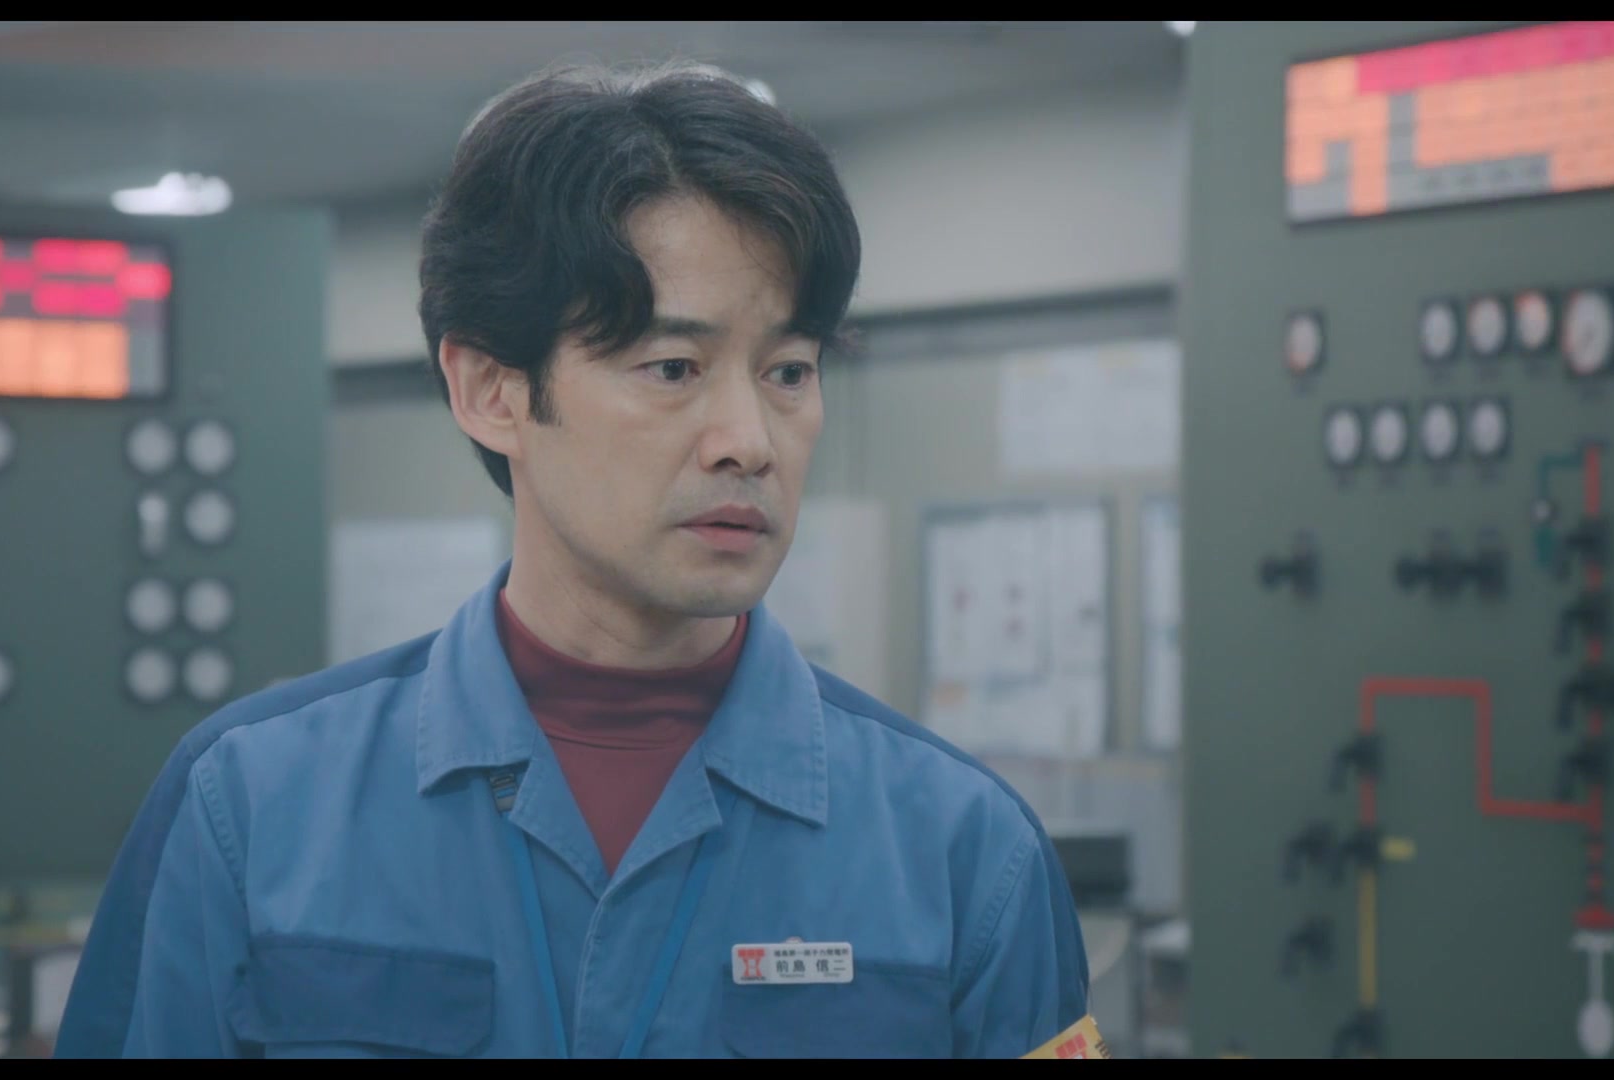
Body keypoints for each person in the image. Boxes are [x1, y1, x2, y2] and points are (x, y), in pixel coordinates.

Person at [54, 58, 1091, 1059]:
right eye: (673, 367)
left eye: (788, 371)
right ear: (491, 392)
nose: (749, 441)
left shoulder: (965, 854)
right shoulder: (250, 807)